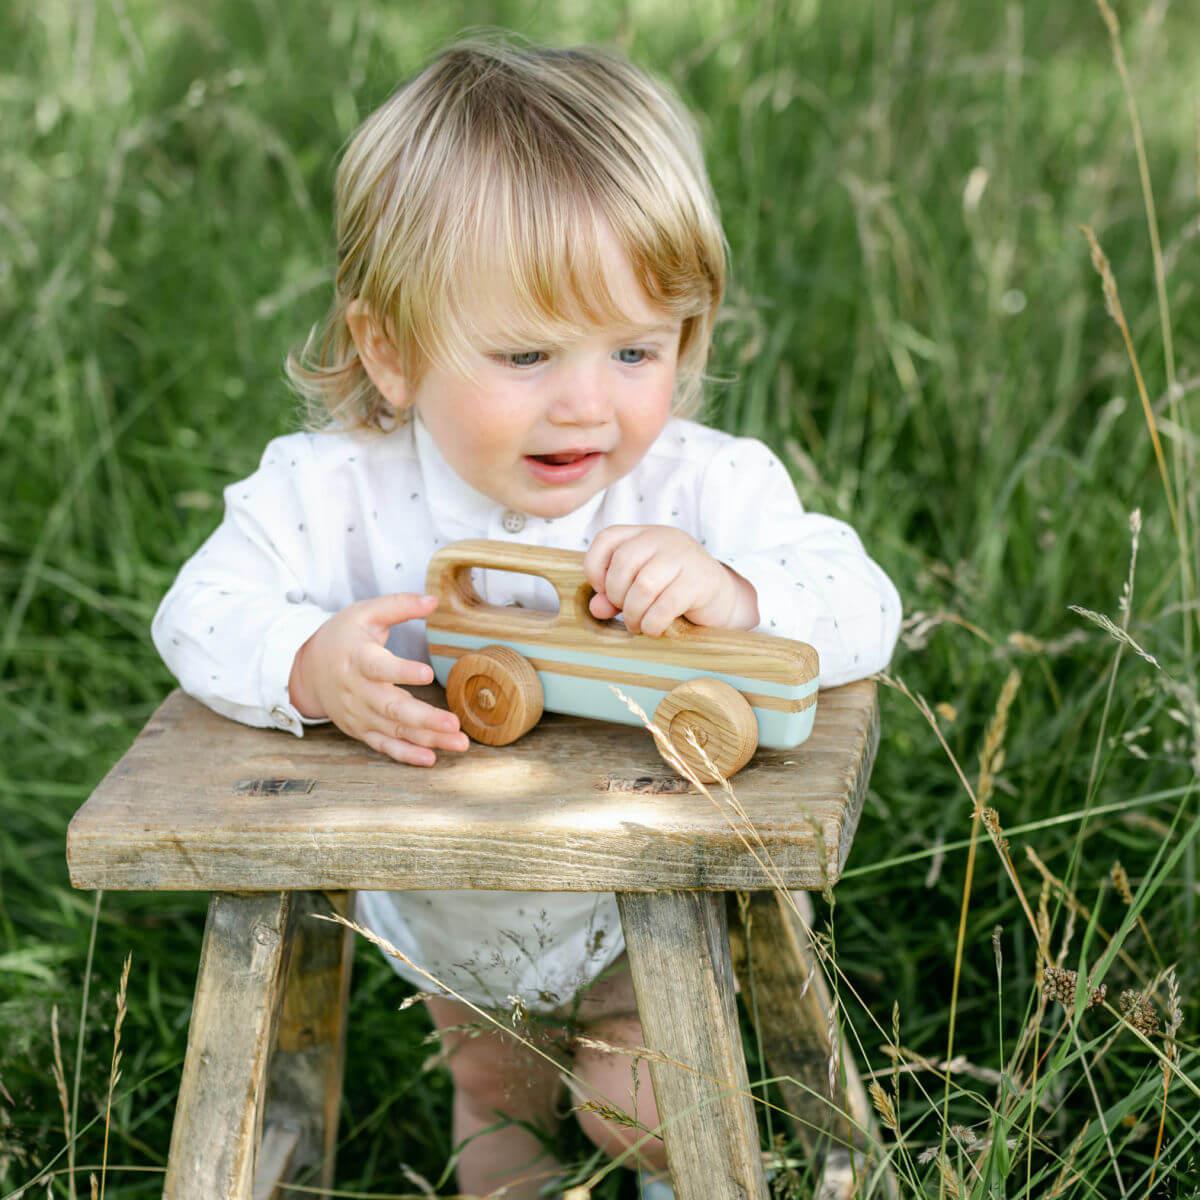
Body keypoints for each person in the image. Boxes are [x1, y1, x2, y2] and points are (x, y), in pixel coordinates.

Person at [151, 33, 903, 1200]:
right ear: (390, 350)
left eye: (636, 350)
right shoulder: (331, 489)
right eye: (525, 352)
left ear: (688, 339)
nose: (587, 403)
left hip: (642, 897)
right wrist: (303, 660)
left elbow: (866, 602)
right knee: (497, 1099)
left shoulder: (702, 488)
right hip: (450, 907)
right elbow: (197, 611)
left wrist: (742, 593)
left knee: (643, 1103)